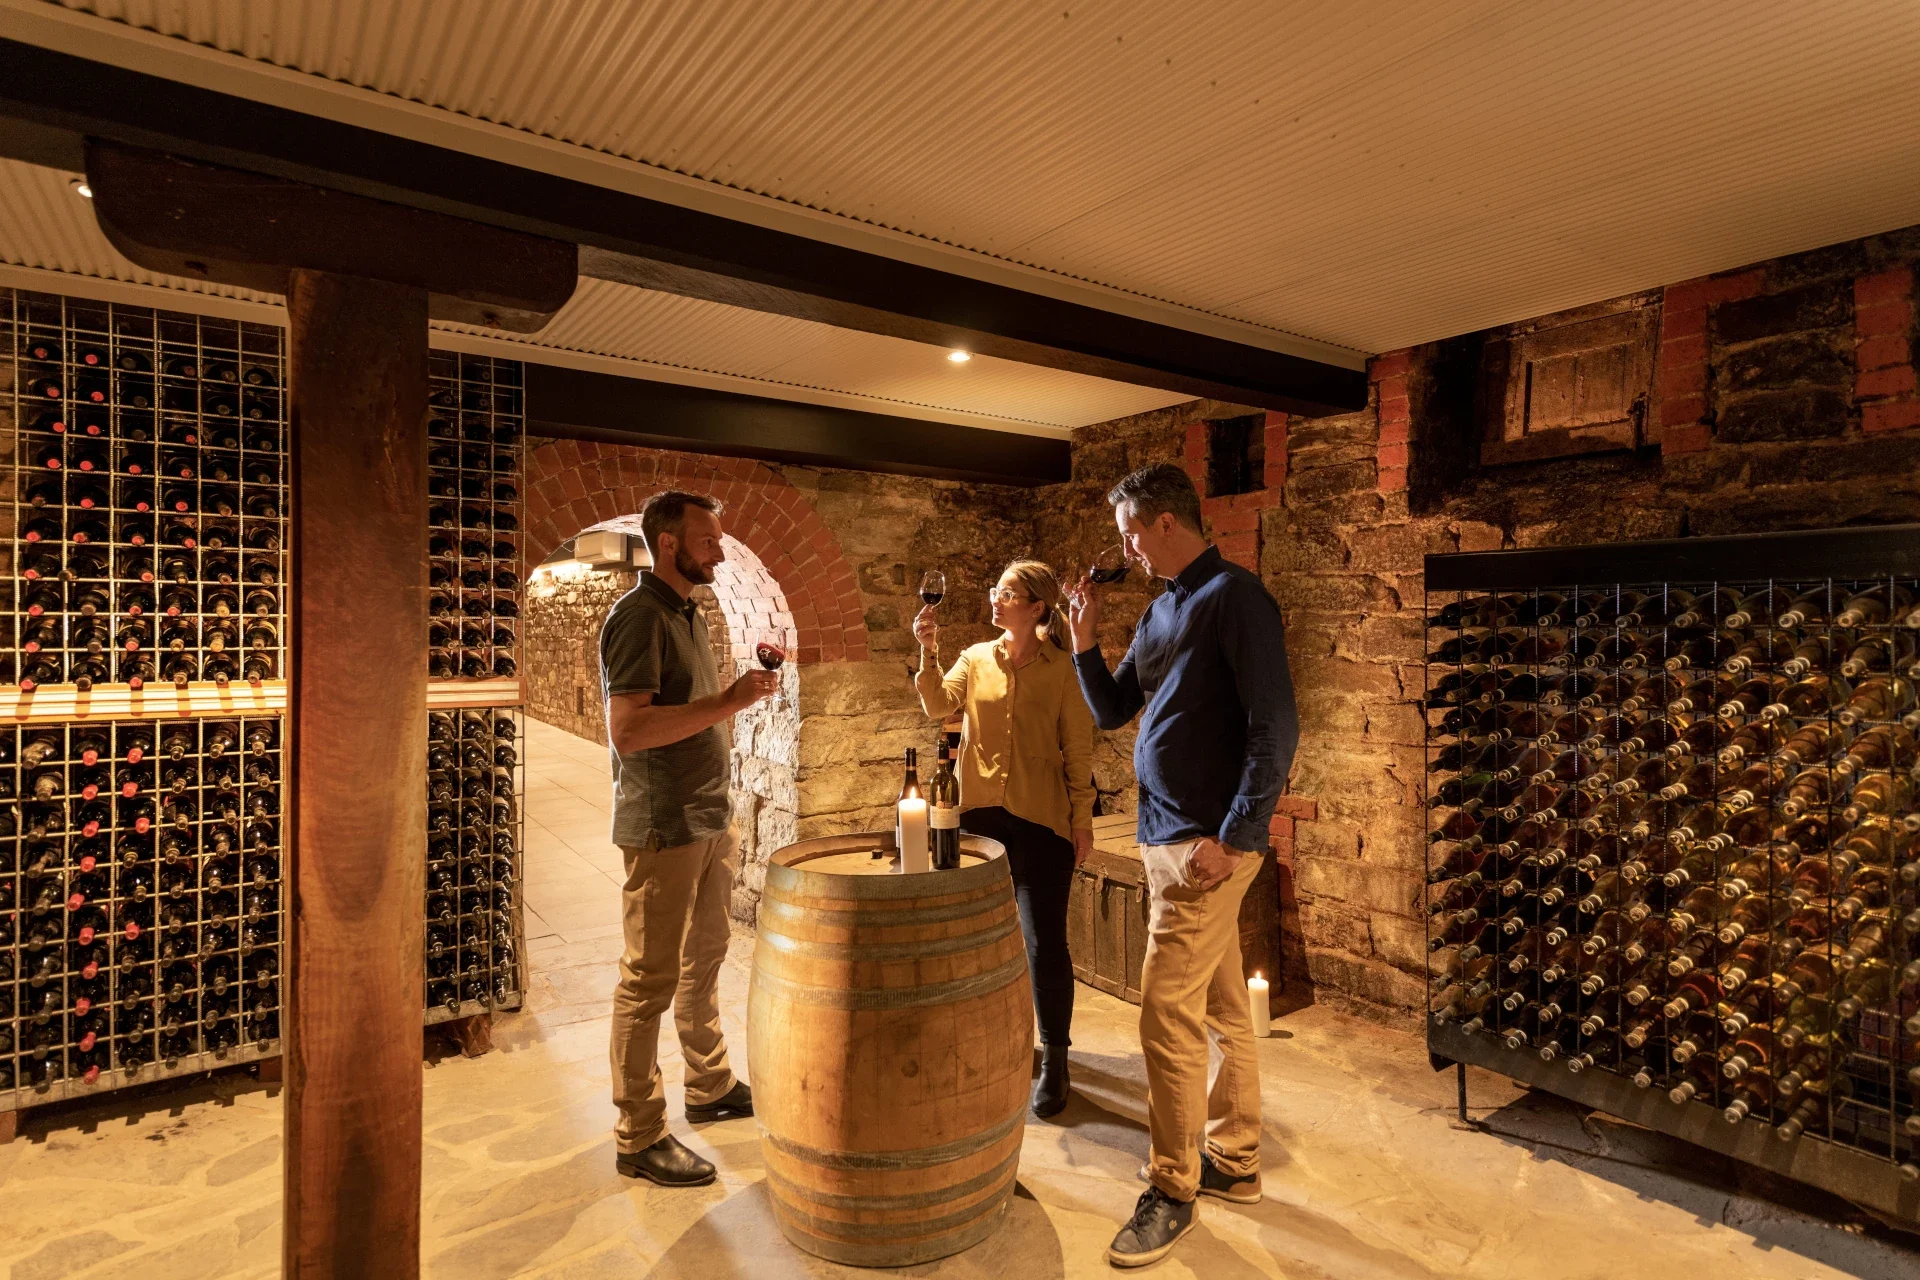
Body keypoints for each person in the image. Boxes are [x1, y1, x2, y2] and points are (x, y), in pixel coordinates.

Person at [1065, 463, 1298, 1269]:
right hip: (1167, 836)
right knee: (1226, 1009)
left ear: (1166, 521)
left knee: (1164, 1014)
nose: (1126, 548)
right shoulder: (1162, 607)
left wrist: (1234, 836)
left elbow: (1276, 725)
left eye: (1131, 532)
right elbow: (1113, 710)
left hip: (1207, 847)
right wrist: (1084, 640)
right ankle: (1233, 1158)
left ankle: (1173, 1188)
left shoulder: (1236, 597)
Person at [600, 490, 778, 1187]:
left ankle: (708, 1084)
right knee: (648, 980)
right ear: (669, 543)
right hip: (663, 825)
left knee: (704, 960)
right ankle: (639, 1133)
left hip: (708, 817)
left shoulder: (687, 613)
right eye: (709, 541)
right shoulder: (638, 616)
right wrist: (728, 701)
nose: (720, 552)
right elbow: (629, 730)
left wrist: (731, 703)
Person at [913, 559, 1096, 1117]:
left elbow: (1077, 750)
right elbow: (936, 705)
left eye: (1008, 593)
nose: (995, 598)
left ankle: (1056, 1057)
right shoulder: (974, 658)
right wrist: (927, 651)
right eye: (996, 589)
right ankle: (991, 1039)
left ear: (1037, 607)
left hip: (1043, 820)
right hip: (979, 819)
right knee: (977, 938)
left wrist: (1082, 821)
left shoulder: (1063, 670)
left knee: (1043, 942)